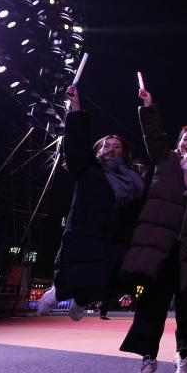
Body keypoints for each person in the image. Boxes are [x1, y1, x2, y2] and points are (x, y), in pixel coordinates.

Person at [118, 86, 187, 373]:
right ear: (177, 142)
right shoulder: (165, 159)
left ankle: (184, 354)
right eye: (185, 137)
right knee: (152, 303)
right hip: (160, 244)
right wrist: (148, 105)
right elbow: (153, 135)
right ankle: (148, 359)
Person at [43, 86, 145, 321]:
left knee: (108, 278)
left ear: (125, 154)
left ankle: (82, 300)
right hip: (84, 231)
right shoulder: (89, 170)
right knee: (77, 268)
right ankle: (58, 292)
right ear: (98, 149)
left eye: (115, 146)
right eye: (106, 145)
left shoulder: (134, 180)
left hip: (113, 237)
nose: (110, 148)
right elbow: (76, 145)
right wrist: (77, 108)